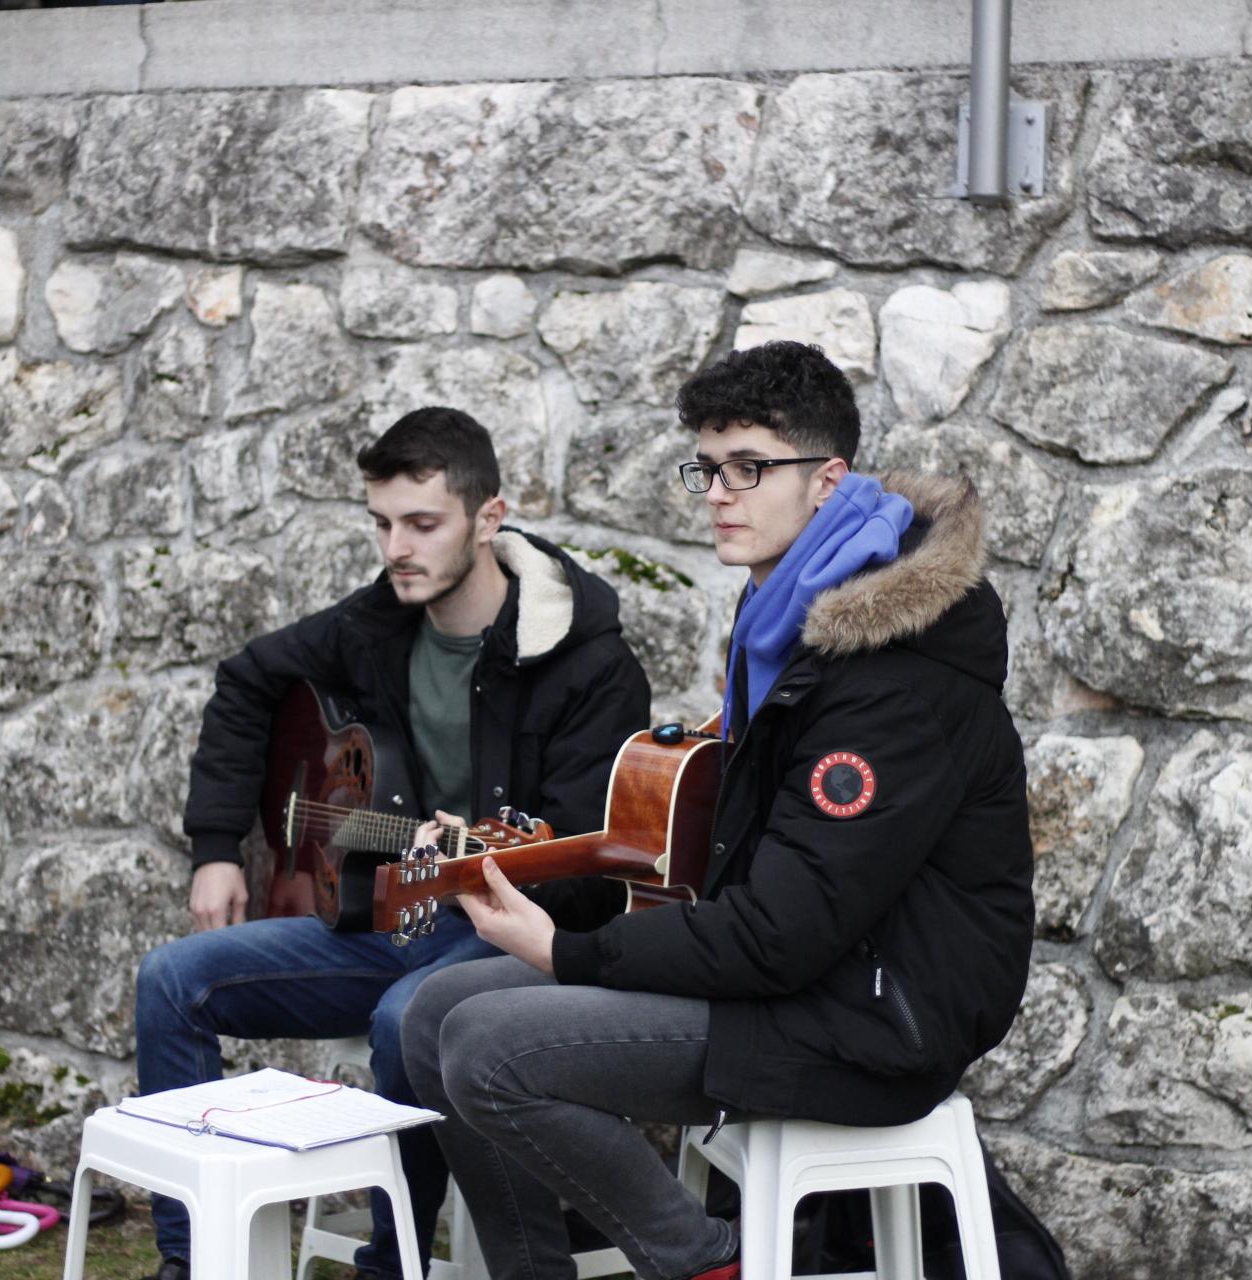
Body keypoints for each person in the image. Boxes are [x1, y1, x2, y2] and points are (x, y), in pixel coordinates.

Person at [400, 341, 1035, 1280]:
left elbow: (785, 930)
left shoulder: (892, 678)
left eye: (750, 468)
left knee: (492, 1048)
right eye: (709, 467)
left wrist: (566, 954)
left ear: (827, 481)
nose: (719, 493)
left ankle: (705, 1262)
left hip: (872, 1016)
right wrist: (556, 900)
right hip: (799, 980)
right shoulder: (791, 621)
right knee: (432, 1010)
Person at [133, 406, 652, 1280]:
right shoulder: (373, 627)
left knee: (406, 1017)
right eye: (382, 524)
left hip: (500, 942)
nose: (397, 548)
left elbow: (591, 867)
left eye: (422, 523)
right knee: (171, 982)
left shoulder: (588, 665)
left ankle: (392, 1265)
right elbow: (247, 682)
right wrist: (219, 844)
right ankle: (197, 1263)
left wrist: (482, 872)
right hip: (376, 923)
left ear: (488, 519)